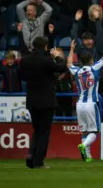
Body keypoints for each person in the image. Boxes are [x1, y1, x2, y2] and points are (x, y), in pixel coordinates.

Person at [18, 36, 68, 169]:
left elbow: (21, 75)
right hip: (46, 101)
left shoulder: (25, 60)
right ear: (45, 46)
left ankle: (31, 155)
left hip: (32, 100)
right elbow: (62, 67)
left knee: (37, 130)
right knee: (44, 132)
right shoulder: (47, 61)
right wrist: (57, 56)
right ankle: (38, 161)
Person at [67, 39, 103, 162]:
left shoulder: (77, 71)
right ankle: (84, 146)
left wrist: (72, 49)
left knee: (84, 131)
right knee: (95, 131)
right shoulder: (94, 68)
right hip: (91, 104)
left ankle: (86, 156)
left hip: (79, 105)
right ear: (91, 60)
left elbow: (68, 64)